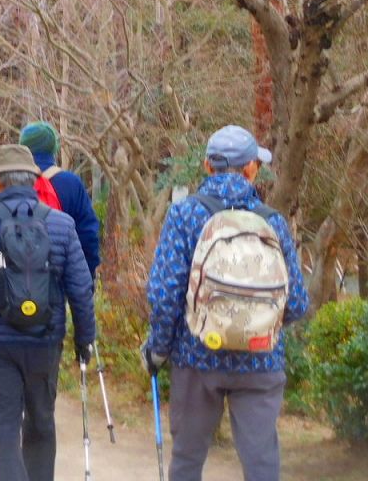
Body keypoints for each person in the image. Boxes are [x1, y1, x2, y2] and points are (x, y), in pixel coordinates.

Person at [143, 125, 309, 481]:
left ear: (207, 166)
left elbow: (164, 295)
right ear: (252, 168)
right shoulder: (273, 222)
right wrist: (258, 326)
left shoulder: (185, 216)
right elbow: (295, 302)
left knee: (187, 460)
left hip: (196, 356)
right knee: (261, 461)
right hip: (261, 360)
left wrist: (158, 350)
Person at [0, 144, 96, 481]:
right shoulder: (61, 225)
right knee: (41, 420)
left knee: (3, 422)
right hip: (45, 341)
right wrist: (84, 339)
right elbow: (80, 288)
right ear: (33, 181)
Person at [16, 121, 101, 279]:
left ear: (23, 148)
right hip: (59, 280)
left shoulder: (5, 183)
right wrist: (84, 277)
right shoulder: (71, 184)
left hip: (15, 283)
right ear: (53, 148)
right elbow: (88, 235)